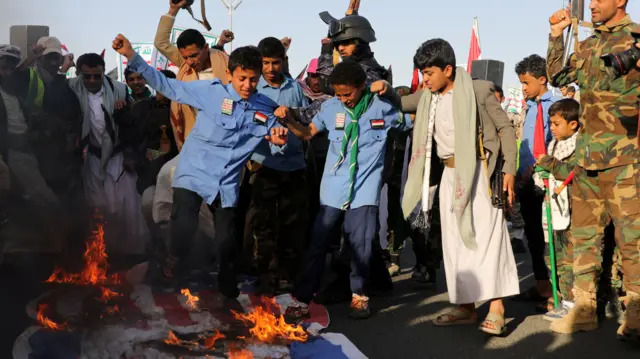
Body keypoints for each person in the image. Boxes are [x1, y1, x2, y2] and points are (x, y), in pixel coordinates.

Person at [113, 34, 288, 298]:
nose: (248, 85)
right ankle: (172, 267)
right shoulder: (211, 92)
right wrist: (131, 56)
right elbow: (167, 85)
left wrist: (278, 140)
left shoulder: (266, 108)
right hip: (193, 174)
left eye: (253, 79)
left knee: (227, 242)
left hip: (226, 183)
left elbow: (279, 140)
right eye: (242, 78)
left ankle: (228, 294)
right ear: (229, 75)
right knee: (183, 229)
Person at [275, 60, 413, 320]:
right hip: (333, 189)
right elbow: (307, 133)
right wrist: (289, 121)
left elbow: (410, 121)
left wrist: (395, 94)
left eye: (348, 94)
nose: (344, 99)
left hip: (365, 189)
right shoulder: (330, 108)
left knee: (361, 245)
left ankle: (359, 296)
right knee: (318, 244)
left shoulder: (382, 108)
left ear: (362, 86)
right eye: (339, 94)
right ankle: (303, 299)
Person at [400, 39, 519, 336]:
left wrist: (509, 171)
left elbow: (505, 128)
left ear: (448, 69)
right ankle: (466, 307)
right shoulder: (429, 96)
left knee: (489, 239)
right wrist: (378, 90)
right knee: (454, 243)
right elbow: (400, 102)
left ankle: (496, 308)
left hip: (480, 173)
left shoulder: (479, 91)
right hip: (450, 177)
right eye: (422, 74)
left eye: (429, 73)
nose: (424, 79)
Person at [547, 1, 640, 338]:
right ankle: (584, 309)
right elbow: (557, 77)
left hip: (626, 161)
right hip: (586, 161)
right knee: (584, 239)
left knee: (632, 242)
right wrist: (556, 37)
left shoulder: (636, 40)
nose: (594, 4)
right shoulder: (586, 45)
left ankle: (636, 315)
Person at [151, 0, 232, 245]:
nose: (191, 61)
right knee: (167, 177)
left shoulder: (226, 64)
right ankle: (169, 238)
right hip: (194, 145)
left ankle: (222, 256)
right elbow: (160, 43)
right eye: (186, 57)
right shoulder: (186, 67)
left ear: (207, 48)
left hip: (225, 148)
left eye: (195, 55)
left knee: (221, 207)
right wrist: (173, 10)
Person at [68, 52, 150, 260]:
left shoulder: (119, 90)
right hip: (91, 156)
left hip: (119, 155)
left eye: (97, 76)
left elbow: (134, 125)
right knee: (99, 206)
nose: (92, 81)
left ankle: (132, 256)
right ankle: (103, 254)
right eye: (87, 76)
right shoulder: (71, 89)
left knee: (127, 207)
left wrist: (124, 113)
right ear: (79, 74)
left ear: (103, 73)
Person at [246, 37, 309, 295]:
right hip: (264, 166)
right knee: (263, 225)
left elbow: (304, 122)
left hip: (293, 166)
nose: (271, 68)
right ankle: (264, 275)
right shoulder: (253, 90)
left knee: (290, 224)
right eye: (266, 63)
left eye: (276, 62)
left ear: (284, 61)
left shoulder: (295, 88)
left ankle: (286, 275)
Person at [511, 55, 561, 312]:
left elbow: (559, 144)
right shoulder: (529, 106)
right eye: (521, 83)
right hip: (527, 182)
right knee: (532, 236)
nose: (523, 88)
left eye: (526, 83)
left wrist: (541, 164)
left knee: (552, 236)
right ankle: (542, 285)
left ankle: (559, 290)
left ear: (543, 79)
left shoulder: (558, 105)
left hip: (548, 180)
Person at [533, 99, 580, 322]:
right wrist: (539, 174)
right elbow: (542, 168)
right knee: (551, 257)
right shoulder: (552, 145)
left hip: (571, 209)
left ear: (573, 124)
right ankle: (559, 296)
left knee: (568, 258)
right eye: (550, 123)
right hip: (551, 207)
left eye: (557, 123)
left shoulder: (579, 146)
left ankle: (572, 302)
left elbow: (571, 173)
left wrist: (549, 164)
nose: (551, 128)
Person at [492, 85, 526, 254]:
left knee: (513, 204)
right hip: (491, 169)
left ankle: (518, 237)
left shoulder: (505, 120)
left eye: (497, 99)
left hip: (508, 167)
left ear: (503, 100)